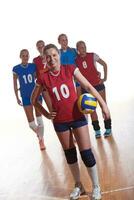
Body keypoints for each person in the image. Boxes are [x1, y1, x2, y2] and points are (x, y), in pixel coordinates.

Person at [31, 44, 111, 200]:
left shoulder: (70, 68)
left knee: (86, 153)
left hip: (77, 117)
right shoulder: (43, 77)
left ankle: (96, 186)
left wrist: (103, 104)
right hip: (60, 122)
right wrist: (47, 114)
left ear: (59, 55)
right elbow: (34, 100)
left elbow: (87, 85)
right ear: (44, 59)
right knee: (70, 155)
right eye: (48, 56)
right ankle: (78, 185)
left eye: (54, 55)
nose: (52, 58)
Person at [75, 41, 112, 138]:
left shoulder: (93, 55)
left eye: (84, 47)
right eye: (81, 48)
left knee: (103, 106)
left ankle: (108, 128)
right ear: (77, 50)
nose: (83, 49)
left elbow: (104, 64)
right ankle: (97, 131)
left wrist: (104, 78)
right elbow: (75, 75)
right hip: (87, 88)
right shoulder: (76, 60)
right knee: (91, 110)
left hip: (98, 85)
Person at [12, 49, 45, 150]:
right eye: (23, 55)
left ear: (29, 56)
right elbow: (14, 84)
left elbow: (38, 78)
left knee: (39, 119)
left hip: (36, 94)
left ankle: (41, 140)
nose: (25, 57)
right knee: (31, 124)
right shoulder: (16, 68)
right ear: (20, 56)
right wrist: (17, 97)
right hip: (25, 96)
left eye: (27, 55)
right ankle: (39, 135)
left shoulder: (33, 66)